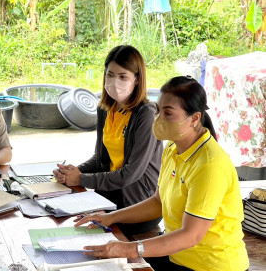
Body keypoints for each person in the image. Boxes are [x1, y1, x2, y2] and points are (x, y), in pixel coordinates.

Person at [74, 76, 249, 271]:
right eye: (158, 111)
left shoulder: (209, 165)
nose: (158, 118)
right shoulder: (173, 147)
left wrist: (129, 249)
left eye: (168, 113)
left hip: (211, 266)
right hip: (177, 256)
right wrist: (110, 217)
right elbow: (158, 201)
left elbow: (191, 235)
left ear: (194, 118)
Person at [54, 45, 163, 235]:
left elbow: (131, 174)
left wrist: (81, 178)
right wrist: (73, 172)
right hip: (108, 196)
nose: (114, 81)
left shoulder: (146, 115)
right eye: (110, 74)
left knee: (90, 233)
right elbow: (100, 159)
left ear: (137, 80)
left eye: (123, 77)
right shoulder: (105, 109)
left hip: (138, 205)